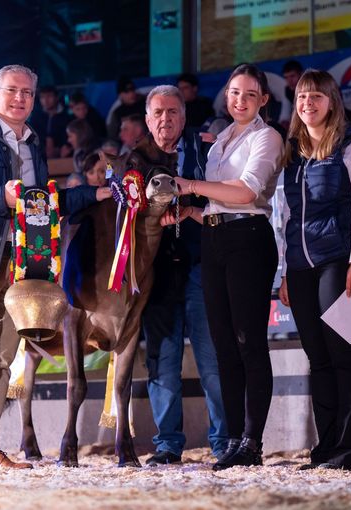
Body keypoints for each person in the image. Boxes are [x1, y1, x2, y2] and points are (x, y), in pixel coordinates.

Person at [0, 64, 108, 469]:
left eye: (27, 92)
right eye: (11, 91)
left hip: (24, 265)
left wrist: (94, 193)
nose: (19, 98)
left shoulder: (34, 144)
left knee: (4, 356)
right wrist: (1, 196)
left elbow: (42, 203)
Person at [161, 63, 283, 470]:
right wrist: (188, 212)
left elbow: (246, 191)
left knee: (249, 342)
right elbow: (217, 204)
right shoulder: (219, 143)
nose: (240, 100)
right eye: (234, 92)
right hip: (214, 238)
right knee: (223, 347)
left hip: (249, 240)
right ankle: (232, 438)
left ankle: (253, 439)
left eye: (250, 94)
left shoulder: (267, 137)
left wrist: (191, 187)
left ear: (263, 99)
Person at [278, 69, 351, 471]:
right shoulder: (293, 152)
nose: (308, 104)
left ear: (333, 101)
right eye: (302, 97)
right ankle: (328, 447)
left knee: (344, 355)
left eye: (317, 97)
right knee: (317, 358)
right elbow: (285, 215)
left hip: (343, 263)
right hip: (301, 268)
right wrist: (285, 270)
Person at [139, 85, 227, 466]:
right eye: (158, 113)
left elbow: (223, 200)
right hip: (156, 276)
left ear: (184, 116)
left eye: (172, 112)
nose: (165, 119)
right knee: (162, 363)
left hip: (199, 268)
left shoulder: (207, 151)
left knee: (212, 361)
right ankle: (168, 444)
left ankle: (224, 442)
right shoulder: (135, 161)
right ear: (147, 119)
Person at [29, 85, 73, 159]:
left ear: (56, 97)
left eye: (49, 96)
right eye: (42, 97)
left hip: (63, 153)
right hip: (41, 154)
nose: (46, 100)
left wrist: (65, 146)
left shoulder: (66, 116)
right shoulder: (36, 117)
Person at [107, 76, 146, 140]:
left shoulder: (146, 106)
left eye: (133, 89)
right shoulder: (117, 113)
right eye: (126, 91)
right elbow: (112, 136)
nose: (131, 93)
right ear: (120, 95)